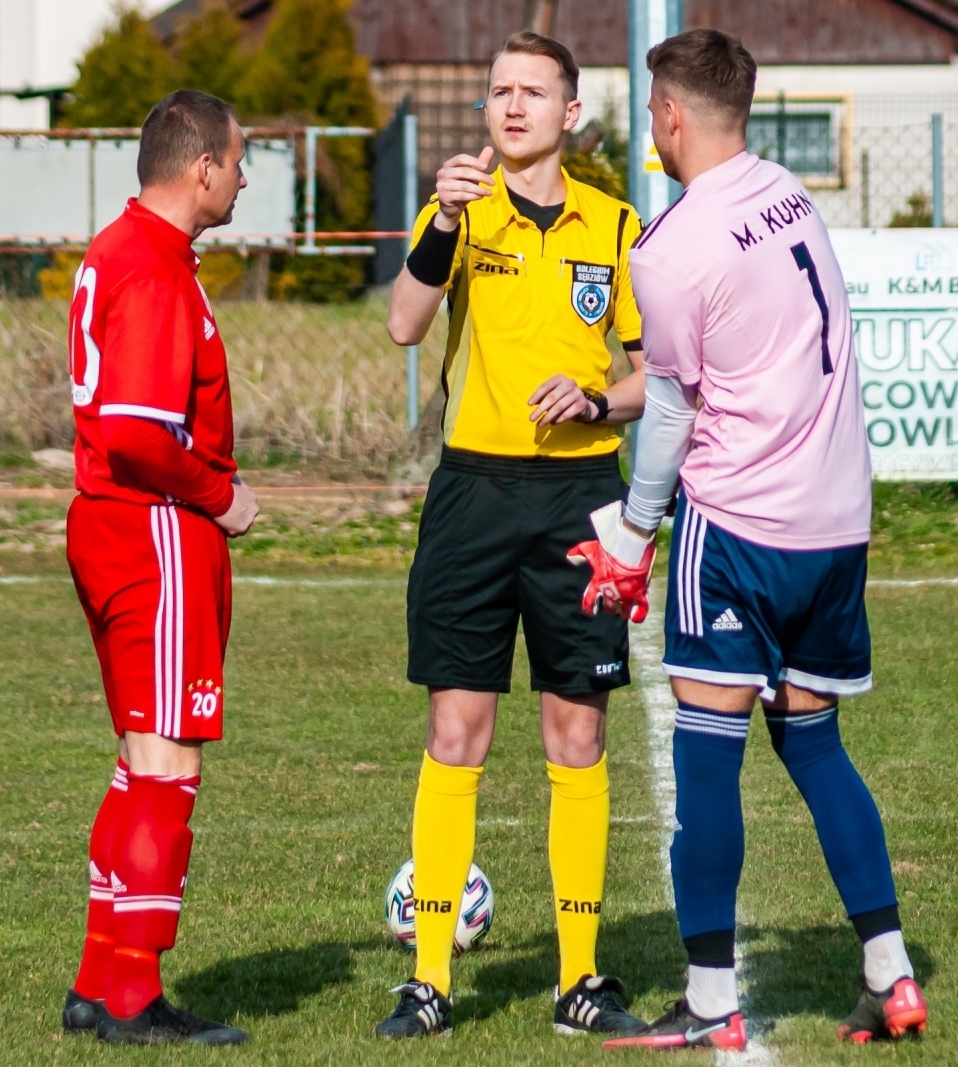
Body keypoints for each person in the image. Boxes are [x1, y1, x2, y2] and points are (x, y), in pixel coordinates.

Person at [571, 30, 927, 1052]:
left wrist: (635, 532)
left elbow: (674, 415)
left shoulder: (670, 247)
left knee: (707, 755)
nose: (651, 127)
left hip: (738, 524)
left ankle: (710, 996)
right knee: (813, 740)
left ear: (671, 119)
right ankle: (890, 973)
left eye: (651, 112)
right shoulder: (788, 192)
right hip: (836, 519)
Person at [378, 30, 650, 1041]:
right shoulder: (455, 209)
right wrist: (444, 220)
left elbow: (650, 376)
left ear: (571, 112)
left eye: (533, 91)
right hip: (474, 497)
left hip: (583, 499)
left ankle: (579, 977)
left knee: (576, 731)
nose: (513, 105)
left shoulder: (616, 227)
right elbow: (406, 322)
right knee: (458, 729)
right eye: (500, 90)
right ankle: (431, 979)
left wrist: (595, 396)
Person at [60, 88, 259, 1047]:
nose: (246, 175)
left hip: (114, 528)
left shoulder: (126, 248)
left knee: (141, 760)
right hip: (155, 530)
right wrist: (222, 496)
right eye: (240, 158)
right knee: (167, 765)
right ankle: (135, 995)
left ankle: (99, 979)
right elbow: (140, 431)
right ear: (203, 169)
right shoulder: (149, 266)